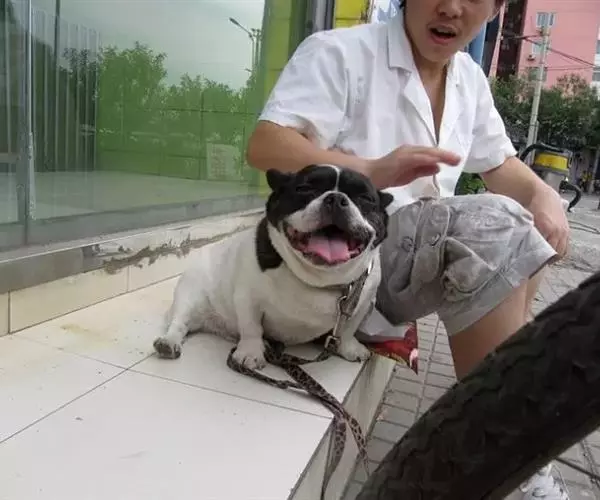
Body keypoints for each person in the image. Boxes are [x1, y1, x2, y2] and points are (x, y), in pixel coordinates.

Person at [246, 0, 570, 498]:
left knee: (530, 228)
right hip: (336, 264)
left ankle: (497, 414)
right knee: (497, 225)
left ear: (496, 9)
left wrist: (543, 195)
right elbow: (266, 145)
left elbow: (500, 164)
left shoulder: (469, 79)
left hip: (397, 273)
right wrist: (372, 171)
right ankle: (508, 456)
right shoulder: (340, 52)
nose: (450, 7)